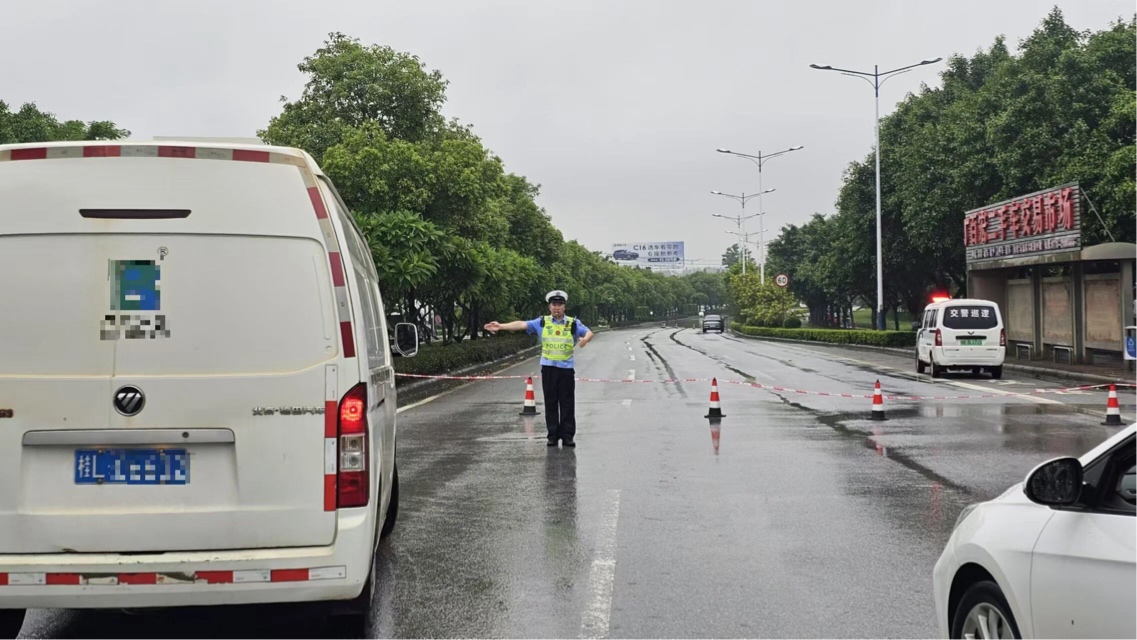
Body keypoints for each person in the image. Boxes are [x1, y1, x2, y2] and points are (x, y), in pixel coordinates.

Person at [484, 290, 593, 447]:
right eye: (554, 305)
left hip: (566, 369)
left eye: (560, 305)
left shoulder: (573, 323)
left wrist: (585, 339)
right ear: (550, 307)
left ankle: (568, 436)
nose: (557, 308)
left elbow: (589, 332)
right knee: (550, 402)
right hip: (548, 368)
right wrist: (501, 326)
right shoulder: (542, 322)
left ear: (564, 307)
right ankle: (553, 435)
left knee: (567, 403)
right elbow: (522, 324)